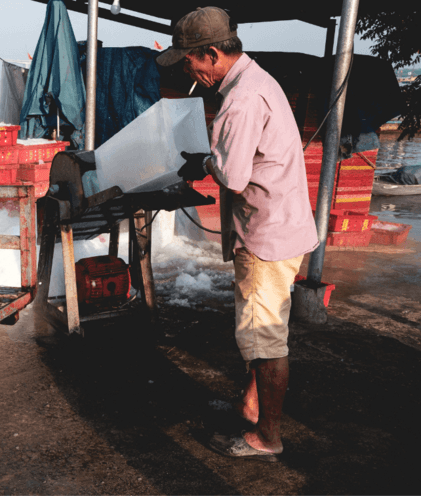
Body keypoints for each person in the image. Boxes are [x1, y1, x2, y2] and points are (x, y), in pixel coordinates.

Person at [157, 6, 319, 462]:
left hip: (266, 235)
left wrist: (204, 162)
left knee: (265, 337)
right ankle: (252, 406)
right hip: (284, 225)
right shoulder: (257, 80)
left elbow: (231, 175)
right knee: (265, 328)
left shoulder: (240, 100)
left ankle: (267, 436)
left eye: (189, 62)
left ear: (210, 55)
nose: (187, 71)